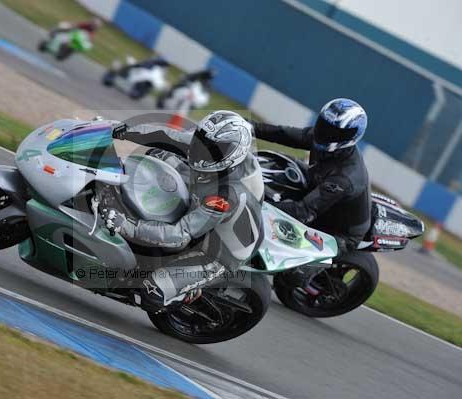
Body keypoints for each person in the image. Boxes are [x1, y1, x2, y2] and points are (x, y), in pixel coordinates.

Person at [101, 111, 264, 310]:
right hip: (204, 199)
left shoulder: (226, 196)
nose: (202, 149)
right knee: (158, 156)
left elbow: (180, 235)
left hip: (216, 252)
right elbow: (165, 136)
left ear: (231, 154)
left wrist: (127, 225)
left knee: (152, 292)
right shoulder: (209, 147)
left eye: (213, 148)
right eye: (201, 140)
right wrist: (120, 129)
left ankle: (186, 293)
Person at [251, 98, 371, 255]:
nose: (324, 133)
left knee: (292, 259)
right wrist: (248, 125)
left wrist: (254, 207)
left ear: (349, 137)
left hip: (339, 233)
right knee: (276, 164)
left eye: (333, 131)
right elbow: (283, 134)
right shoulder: (322, 138)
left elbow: (303, 212)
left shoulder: (345, 177)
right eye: (324, 125)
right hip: (318, 190)